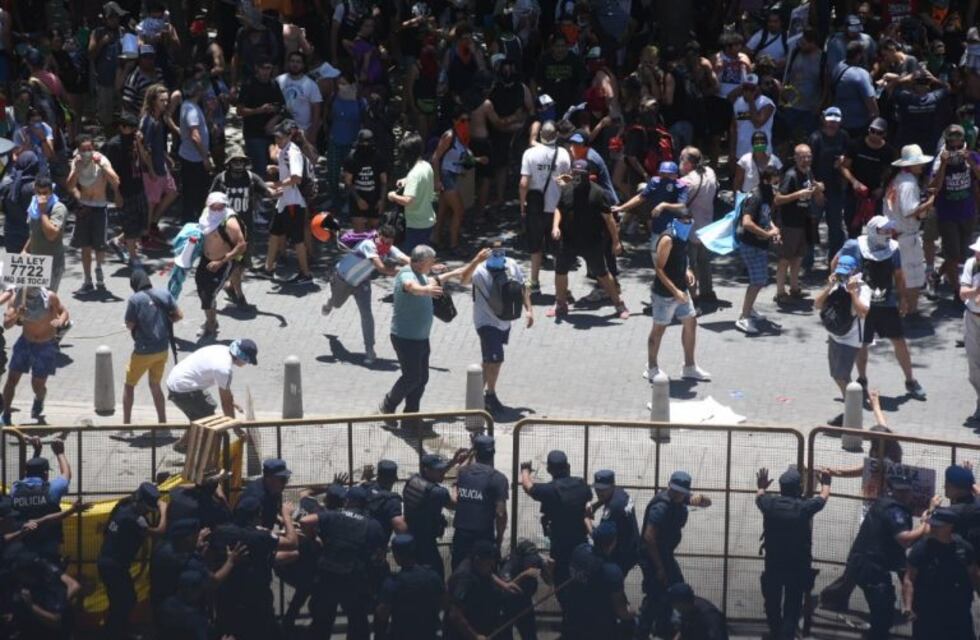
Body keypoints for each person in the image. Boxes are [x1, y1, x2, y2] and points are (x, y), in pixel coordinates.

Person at [378, 246, 484, 425]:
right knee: (412, 377)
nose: (434, 264)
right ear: (419, 263)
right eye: (430, 262)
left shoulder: (420, 274)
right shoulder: (407, 274)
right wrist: (427, 290)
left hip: (420, 338)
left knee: (421, 378)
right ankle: (388, 405)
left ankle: (410, 415)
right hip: (405, 338)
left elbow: (438, 278)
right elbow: (411, 287)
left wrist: (464, 267)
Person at [837, 216, 928, 400]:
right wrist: (841, 287)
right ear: (872, 230)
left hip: (886, 304)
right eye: (883, 230)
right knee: (862, 343)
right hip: (863, 305)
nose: (887, 234)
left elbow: (899, 274)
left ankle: (910, 380)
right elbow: (836, 263)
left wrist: (903, 298)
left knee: (899, 341)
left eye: (889, 230)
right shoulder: (855, 245)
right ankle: (862, 380)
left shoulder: (893, 248)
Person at [845, 469, 932, 640]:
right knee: (883, 613)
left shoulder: (884, 503)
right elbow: (905, 540)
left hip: (867, 564)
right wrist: (924, 525)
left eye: (906, 490)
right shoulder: (894, 510)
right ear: (893, 490)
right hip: (870, 568)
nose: (905, 494)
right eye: (901, 490)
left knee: (883, 612)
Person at [300, 484, 386, 639]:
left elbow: (305, 521)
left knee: (322, 621)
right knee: (357, 621)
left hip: (328, 577)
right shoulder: (373, 525)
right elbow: (378, 557)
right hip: (354, 580)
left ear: (347, 501)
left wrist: (314, 539)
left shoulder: (333, 516)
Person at [755, 466, 831, 640]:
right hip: (797, 566)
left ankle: (775, 633)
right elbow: (822, 499)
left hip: (773, 563)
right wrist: (826, 482)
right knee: (793, 606)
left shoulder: (769, 504)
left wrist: (762, 486)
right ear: (799, 488)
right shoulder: (803, 507)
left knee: (772, 603)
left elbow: (759, 496)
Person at [211, 494, 299, 640]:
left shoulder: (222, 532)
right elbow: (292, 542)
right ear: (256, 516)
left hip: (228, 598)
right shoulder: (260, 536)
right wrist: (286, 515)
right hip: (256, 600)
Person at [637, 470, 712, 639]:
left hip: (664, 554)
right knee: (658, 593)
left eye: (681, 492)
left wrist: (700, 498)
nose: (678, 494)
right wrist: (659, 568)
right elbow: (649, 538)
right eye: (675, 490)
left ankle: (664, 627)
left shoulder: (680, 497)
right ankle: (644, 631)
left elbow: (708, 503)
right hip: (653, 556)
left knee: (673, 591)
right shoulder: (662, 507)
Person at [550, 160, 629, 319]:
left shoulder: (598, 193)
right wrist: (555, 226)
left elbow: (609, 219)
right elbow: (559, 208)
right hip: (568, 240)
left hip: (591, 241)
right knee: (560, 271)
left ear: (588, 175)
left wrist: (616, 241)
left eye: (581, 174)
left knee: (602, 274)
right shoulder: (566, 189)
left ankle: (619, 304)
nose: (578, 177)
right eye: (575, 174)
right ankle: (560, 303)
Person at [461, 240, 532, 416]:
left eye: (501, 251)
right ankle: (489, 395)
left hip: (504, 321)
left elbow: (523, 287)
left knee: (489, 362)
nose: (499, 255)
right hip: (486, 322)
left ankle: (476, 397)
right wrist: (476, 260)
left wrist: (529, 310)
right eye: (494, 252)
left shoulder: (511, 264)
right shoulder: (479, 270)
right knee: (496, 359)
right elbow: (463, 280)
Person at [322, 224, 410, 364]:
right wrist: (406, 271)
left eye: (390, 242)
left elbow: (405, 258)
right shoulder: (368, 245)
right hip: (343, 279)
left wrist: (425, 266)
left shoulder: (389, 247)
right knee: (337, 304)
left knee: (366, 314)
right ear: (378, 236)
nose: (387, 245)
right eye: (384, 241)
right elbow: (381, 268)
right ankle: (330, 302)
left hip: (361, 282)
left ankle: (370, 350)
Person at [646, 208, 711, 381]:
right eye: (684, 221)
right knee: (659, 329)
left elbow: (682, 260)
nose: (688, 224)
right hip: (664, 294)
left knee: (691, 323)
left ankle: (689, 367)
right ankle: (652, 367)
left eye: (690, 220)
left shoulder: (683, 238)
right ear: (675, 221)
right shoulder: (667, 239)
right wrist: (674, 291)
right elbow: (659, 268)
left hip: (681, 291)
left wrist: (687, 271)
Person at [519, 449, 591, 603]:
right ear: (568, 466)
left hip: (561, 546)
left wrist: (525, 470)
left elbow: (528, 487)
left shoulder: (550, 490)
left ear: (549, 470)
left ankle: (569, 615)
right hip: (581, 543)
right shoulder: (581, 484)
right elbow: (588, 505)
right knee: (581, 583)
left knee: (563, 585)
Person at [98, 482, 167, 640]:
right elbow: (159, 532)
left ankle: (117, 632)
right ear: (141, 503)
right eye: (148, 509)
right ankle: (113, 633)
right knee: (125, 601)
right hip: (114, 566)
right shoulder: (134, 519)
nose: (148, 512)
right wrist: (164, 510)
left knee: (122, 601)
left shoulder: (124, 507)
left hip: (111, 563)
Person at [165, 339, 258, 451]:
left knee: (202, 416)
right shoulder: (224, 369)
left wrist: (231, 402)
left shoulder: (221, 349)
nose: (247, 364)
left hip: (178, 379)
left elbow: (226, 395)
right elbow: (226, 402)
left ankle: (183, 444)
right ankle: (190, 449)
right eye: (247, 361)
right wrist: (236, 428)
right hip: (183, 390)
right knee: (208, 423)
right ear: (242, 358)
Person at [903, 508, 980, 639]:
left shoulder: (963, 548)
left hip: (957, 611)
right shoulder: (922, 548)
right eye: (931, 524)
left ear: (949, 527)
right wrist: (908, 606)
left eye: (936, 525)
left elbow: (974, 575)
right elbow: (909, 578)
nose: (932, 528)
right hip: (928, 612)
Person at [209, 145, 272, 304]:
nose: (238, 165)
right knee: (235, 263)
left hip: (246, 229)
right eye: (234, 161)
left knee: (244, 263)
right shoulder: (221, 179)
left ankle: (231, 286)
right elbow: (210, 200)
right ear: (228, 163)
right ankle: (239, 295)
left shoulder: (252, 178)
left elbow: (268, 192)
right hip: (227, 229)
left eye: (241, 161)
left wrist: (282, 190)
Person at [2, 287, 69, 426]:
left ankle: (39, 398)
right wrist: (17, 314)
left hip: (45, 345)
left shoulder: (50, 297)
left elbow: (64, 312)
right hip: (25, 342)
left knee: (37, 385)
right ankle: (6, 413)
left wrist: (60, 321)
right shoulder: (17, 299)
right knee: (12, 379)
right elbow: (7, 324)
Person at [814, 255, 871, 415]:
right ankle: (851, 401)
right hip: (834, 336)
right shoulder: (835, 284)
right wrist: (828, 287)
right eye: (841, 272)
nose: (843, 276)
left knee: (840, 376)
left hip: (850, 340)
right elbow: (817, 304)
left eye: (846, 273)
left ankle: (852, 409)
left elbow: (863, 313)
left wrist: (853, 293)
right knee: (837, 375)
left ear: (855, 271)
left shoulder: (863, 288)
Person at [519, 121, 571, 293]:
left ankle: (534, 282)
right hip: (556, 208)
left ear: (541, 135)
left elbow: (524, 182)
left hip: (535, 207)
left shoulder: (530, 154)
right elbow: (568, 180)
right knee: (558, 249)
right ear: (556, 135)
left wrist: (522, 205)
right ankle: (561, 286)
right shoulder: (563, 153)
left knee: (535, 246)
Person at [123, 270, 181, 424]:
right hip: (162, 350)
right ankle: (162, 423)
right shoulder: (165, 293)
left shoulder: (135, 300)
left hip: (143, 351)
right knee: (155, 385)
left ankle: (126, 426)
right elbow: (178, 315)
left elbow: (129, 325)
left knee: (129, 386)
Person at [884, 144, 935, 316]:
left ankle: (903, 308)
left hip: (895, 234)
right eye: (918, 162)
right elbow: (909, 212)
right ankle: (910, 310)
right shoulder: (908, 184)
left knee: (901, 274)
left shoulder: (897, 179)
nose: (921, 165)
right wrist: (927, 204)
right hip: (906, 235)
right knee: (912, 276)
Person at [930, 125, 979, 302]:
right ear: (947, 138)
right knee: (953, 255)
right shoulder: (940, 158)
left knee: (961, 254)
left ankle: (935, 275)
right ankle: (958, 292)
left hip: (967, 212)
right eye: (952, 136)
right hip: (947, 214)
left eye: (959, 136)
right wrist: (943, 164)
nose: (955, 140)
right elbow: (934, 186)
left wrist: (971, 162)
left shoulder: (971, 156)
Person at [562, 522, 637, 639]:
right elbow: (621, 610)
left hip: (574, 615)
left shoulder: (579, 550)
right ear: (613, 542)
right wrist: (632, 613)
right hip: (598, 624)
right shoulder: (612, 572)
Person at [66, 135, 120, 293]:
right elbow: (70, 186)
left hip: (100, 207)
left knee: (99, 245)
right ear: (79, 150)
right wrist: (75, 170)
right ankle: (87, 279)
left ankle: (98, 267)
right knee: (85, 246)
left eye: (90, 149)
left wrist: (101, 166)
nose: (87, 152)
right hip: (84, 207)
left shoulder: (102, 160)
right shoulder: (76, 161)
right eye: (84, 150)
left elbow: (116, 181)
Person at [773, 144, 824, 304]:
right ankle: (780, 292)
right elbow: (778, 199)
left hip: (805, 220)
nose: (806, 159)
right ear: (795, 158)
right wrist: (797, 194)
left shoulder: (809, 172)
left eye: (808, 156)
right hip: (789, 223)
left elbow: (818, 198)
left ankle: (794, 288)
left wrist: (819, 189)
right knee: (784, 258)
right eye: (802, 157)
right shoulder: (791, 175)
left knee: (798, 257)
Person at [263, 121, 313, 284]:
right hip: (284, 201)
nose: (277, 140)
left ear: (289, 136)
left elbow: (296, 178)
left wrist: (277, 184)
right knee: (274, 233)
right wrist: (277, 169)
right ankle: (268, 268)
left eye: (280, 137)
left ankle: (305, 274)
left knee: (298, 239)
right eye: (276, 137)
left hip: (294, 202)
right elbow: (290, 171)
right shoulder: (284, 150)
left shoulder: (292, 152)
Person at [403, 452, 466, 580]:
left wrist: (453, 462)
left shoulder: (413, 480)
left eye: (442, 469)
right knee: (436, 575)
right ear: (426, 470)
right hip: (426, 543)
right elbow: (455, 504)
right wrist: (456, 484)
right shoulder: (437, 493)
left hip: (411, 537)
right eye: (438, 470)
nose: (442, 472)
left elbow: (436, 477)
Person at [734, 166, 781, 335]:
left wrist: (773, 230)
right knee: (757, 281)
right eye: (775, 181)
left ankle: (749, 309)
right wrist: (767, 234)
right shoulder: (756, 196)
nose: (778, 185)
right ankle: (744, 317)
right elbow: (747, 222)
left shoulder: (768, 195)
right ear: (767, 180)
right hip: (750, 244)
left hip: (760, 244)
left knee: (760, 279)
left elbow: (766, 218)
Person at [452, 434, 509, 569]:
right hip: (483, 537)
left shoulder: (463, 473)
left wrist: (471, 453)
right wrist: (499, 538)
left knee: (459, 575)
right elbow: (500, 514)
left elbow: (462, 468)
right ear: (493, 452)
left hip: (461, 536)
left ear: (476, 452)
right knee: (485, 577)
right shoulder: (498, 479)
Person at [374, 533, 446, 640]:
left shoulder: (392, 583)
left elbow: (382, 614)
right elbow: (444, 603)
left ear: (396, 555)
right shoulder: (433, 576)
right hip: (429, 634)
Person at [9, 437, 71, 561]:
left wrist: (36, 452)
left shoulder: (15, 489)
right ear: (46, 473)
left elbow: (24, 480)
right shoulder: (52, 490)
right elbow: (66, 475)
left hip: (23, 547)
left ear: (27, 473)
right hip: (48, 546)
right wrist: (60, 453)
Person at [196, 192, 246, 339]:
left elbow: (241, 245)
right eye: (214, 207)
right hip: (205, 260)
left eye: (220, 207)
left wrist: (221, 262)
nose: (217, 210)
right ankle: (212, 320)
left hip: (222, 263)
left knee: (209, 294)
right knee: (201, 290)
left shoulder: (229, 221)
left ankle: (211, 325)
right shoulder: (206, 214)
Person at [103, 112, 150, 268]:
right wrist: (116, 194)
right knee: (130, 225)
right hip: (124, 189)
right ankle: (133, 257)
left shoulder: (136, 141)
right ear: (122, 127)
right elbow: (110, 172)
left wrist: (140, 143)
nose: (133, 130)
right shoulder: (114, 145)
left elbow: (144, 159)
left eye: (134, 127)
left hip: (139, 186)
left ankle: (117, 241)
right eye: (130, 127)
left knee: (142, 225)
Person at [839, 117, 896, 240]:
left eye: (879, 133)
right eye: (872, 131)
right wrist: (854, 182)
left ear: (884, 134)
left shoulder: (888, 151)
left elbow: (889, 173)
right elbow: (844, 167)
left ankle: (874, 257)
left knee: (876, 230)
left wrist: (882, 188)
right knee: (853, 229)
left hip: (875, 196)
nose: (874, 135)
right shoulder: (855, 145)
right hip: (855, 194)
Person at [809, 107, 851, 262]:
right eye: (829, 120)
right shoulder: (815, 138)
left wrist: (843, 160)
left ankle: (833, 260)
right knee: (812, 224)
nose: (832, 124)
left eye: (835, 121)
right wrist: (816, 190)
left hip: (836, 188)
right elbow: (808, 166)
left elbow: (850, 158)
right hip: (817, 187)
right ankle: (807, 261)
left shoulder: (844, 136)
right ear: (824, 119)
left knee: (835, 227)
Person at [446, 539, 506, 640]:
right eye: (488, 563)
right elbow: (455, 614)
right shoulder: (464, 578)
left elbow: (490, 574)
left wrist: (505, 585)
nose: (491, 567)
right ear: (478, 560)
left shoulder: (478, 567)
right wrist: (475, 636)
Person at [679, 147, 718, 305]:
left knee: (690, 264)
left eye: (681, 159)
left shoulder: (686, 181)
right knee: (705, 261)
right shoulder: (710, 172)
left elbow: (679, 206)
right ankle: (707, 292)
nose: (679, 162)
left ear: (688, 163)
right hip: (707, 226)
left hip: (690, 229)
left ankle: (692, 295)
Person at [388, 133, 436, 254]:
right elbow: (421, 180)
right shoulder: (426, 165)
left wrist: (393, 196)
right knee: (423, 256)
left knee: (413, 259)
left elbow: (408, 200)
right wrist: (406, 180)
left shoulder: (414, 174)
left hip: (416, 224)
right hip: (427, 218)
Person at [236, 56, 284, 176]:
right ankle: (260, 193)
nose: (266, 71)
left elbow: (282, 107)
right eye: (263, 68)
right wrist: (259, 110)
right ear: (257, 68)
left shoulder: (274, 84)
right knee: (260, 169)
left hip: (272, 134)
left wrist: (274, 112)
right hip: (253, 133)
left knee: (274, 168)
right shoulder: (248, 84)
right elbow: (239, 110)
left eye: (269, 68)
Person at [586, 469, 640, 576]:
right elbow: (605, 498)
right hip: (631, 546)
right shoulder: (621, 493)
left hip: (621, 554)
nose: (599, 492)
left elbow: (598, 536)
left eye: (603, 489)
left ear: (612, 486)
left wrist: (586, 519)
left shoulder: (613, 508)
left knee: (611, 586)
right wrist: (596, 506)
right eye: (597, 489)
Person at [23, 176, 66, 294]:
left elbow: (51, 235)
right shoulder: (33, 207)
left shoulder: (58, 208)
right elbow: (34, 232)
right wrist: (25, 250)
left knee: (48, 302)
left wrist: (43, 212)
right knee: (31, 300)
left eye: (45, 193)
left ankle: (61, 313)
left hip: (52, 264)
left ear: (51, 191)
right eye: (38, 192)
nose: (41, 196)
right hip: (36, 264)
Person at [177, 79, 212, 223]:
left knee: (192, 192)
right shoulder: (191, 110)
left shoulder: (190, 106)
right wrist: (205, 157)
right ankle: (191, 223)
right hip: (194, 159)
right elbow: (195, 136)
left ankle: (192, 219)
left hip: (192, 156)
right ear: (197, 92)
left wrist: (210, 111)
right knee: (194, 193)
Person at [831, 41, 880, 138]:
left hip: (839, 120)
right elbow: (870, 101)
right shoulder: (861, 74)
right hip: (857, 125)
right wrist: (877, 119)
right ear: (858, 55)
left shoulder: (838, 66)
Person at [343, 129, 388, 231]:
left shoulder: (378, 157)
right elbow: (348, 182)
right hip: (357, 200)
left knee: (373, 233)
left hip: (375, 200)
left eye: (367, 143)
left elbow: (384, 181)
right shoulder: (351, 158)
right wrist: (358, 199)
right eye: (363, 143)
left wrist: (382, 200)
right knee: (359, 234)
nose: (365, 146)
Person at [276, 50, 322, 144]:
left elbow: (316, 110)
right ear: (288, 63)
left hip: (302, 131)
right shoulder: (279, 80)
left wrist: (313, 132)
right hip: (281, 130)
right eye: (292, 61)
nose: (295, 64)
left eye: (298, 62)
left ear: (303, 65)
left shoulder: (311, 85)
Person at [729, 73, 775, 162]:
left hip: (761, 153)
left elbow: (757, 123)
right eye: (746, 88)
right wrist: (732, 151)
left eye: (752, 88)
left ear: (758, 88)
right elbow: (733, 128)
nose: (748, 91)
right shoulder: (738, 102)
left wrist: (751, 101)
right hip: (741, 152)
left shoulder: (767, 104)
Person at [364, 459, 408, 543]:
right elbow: (401, 530)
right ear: (395, 478)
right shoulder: (392, 501)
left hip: (360, 542)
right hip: (377, 548)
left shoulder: (367, 490)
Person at [241, 458, 292, 530]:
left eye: (286, 479)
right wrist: (286, 517)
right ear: (269, 479)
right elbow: (249, 532)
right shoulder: (254, 499)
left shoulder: (274, 491)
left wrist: (282, 520)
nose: (285, 483)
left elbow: (267, 513)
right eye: (282, 479)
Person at [961, 238, 980, 424]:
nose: (977, 255)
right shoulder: (971, 264)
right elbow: (963, 293)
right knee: (974, 367)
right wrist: (976, 291)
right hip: (972, 318)